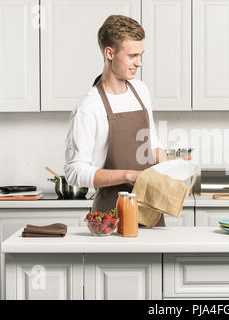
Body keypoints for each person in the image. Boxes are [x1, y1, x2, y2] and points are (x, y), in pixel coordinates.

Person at [64, 15, 167, 225]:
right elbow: (74, 171)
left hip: (149, 209)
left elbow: (150, 141)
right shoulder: (89, 106)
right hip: (109, 217)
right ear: (109, 53)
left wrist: (162, 156)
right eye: (132, 56)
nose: (139, 63)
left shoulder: (141, 90)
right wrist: (128, 176)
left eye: (141, 55)